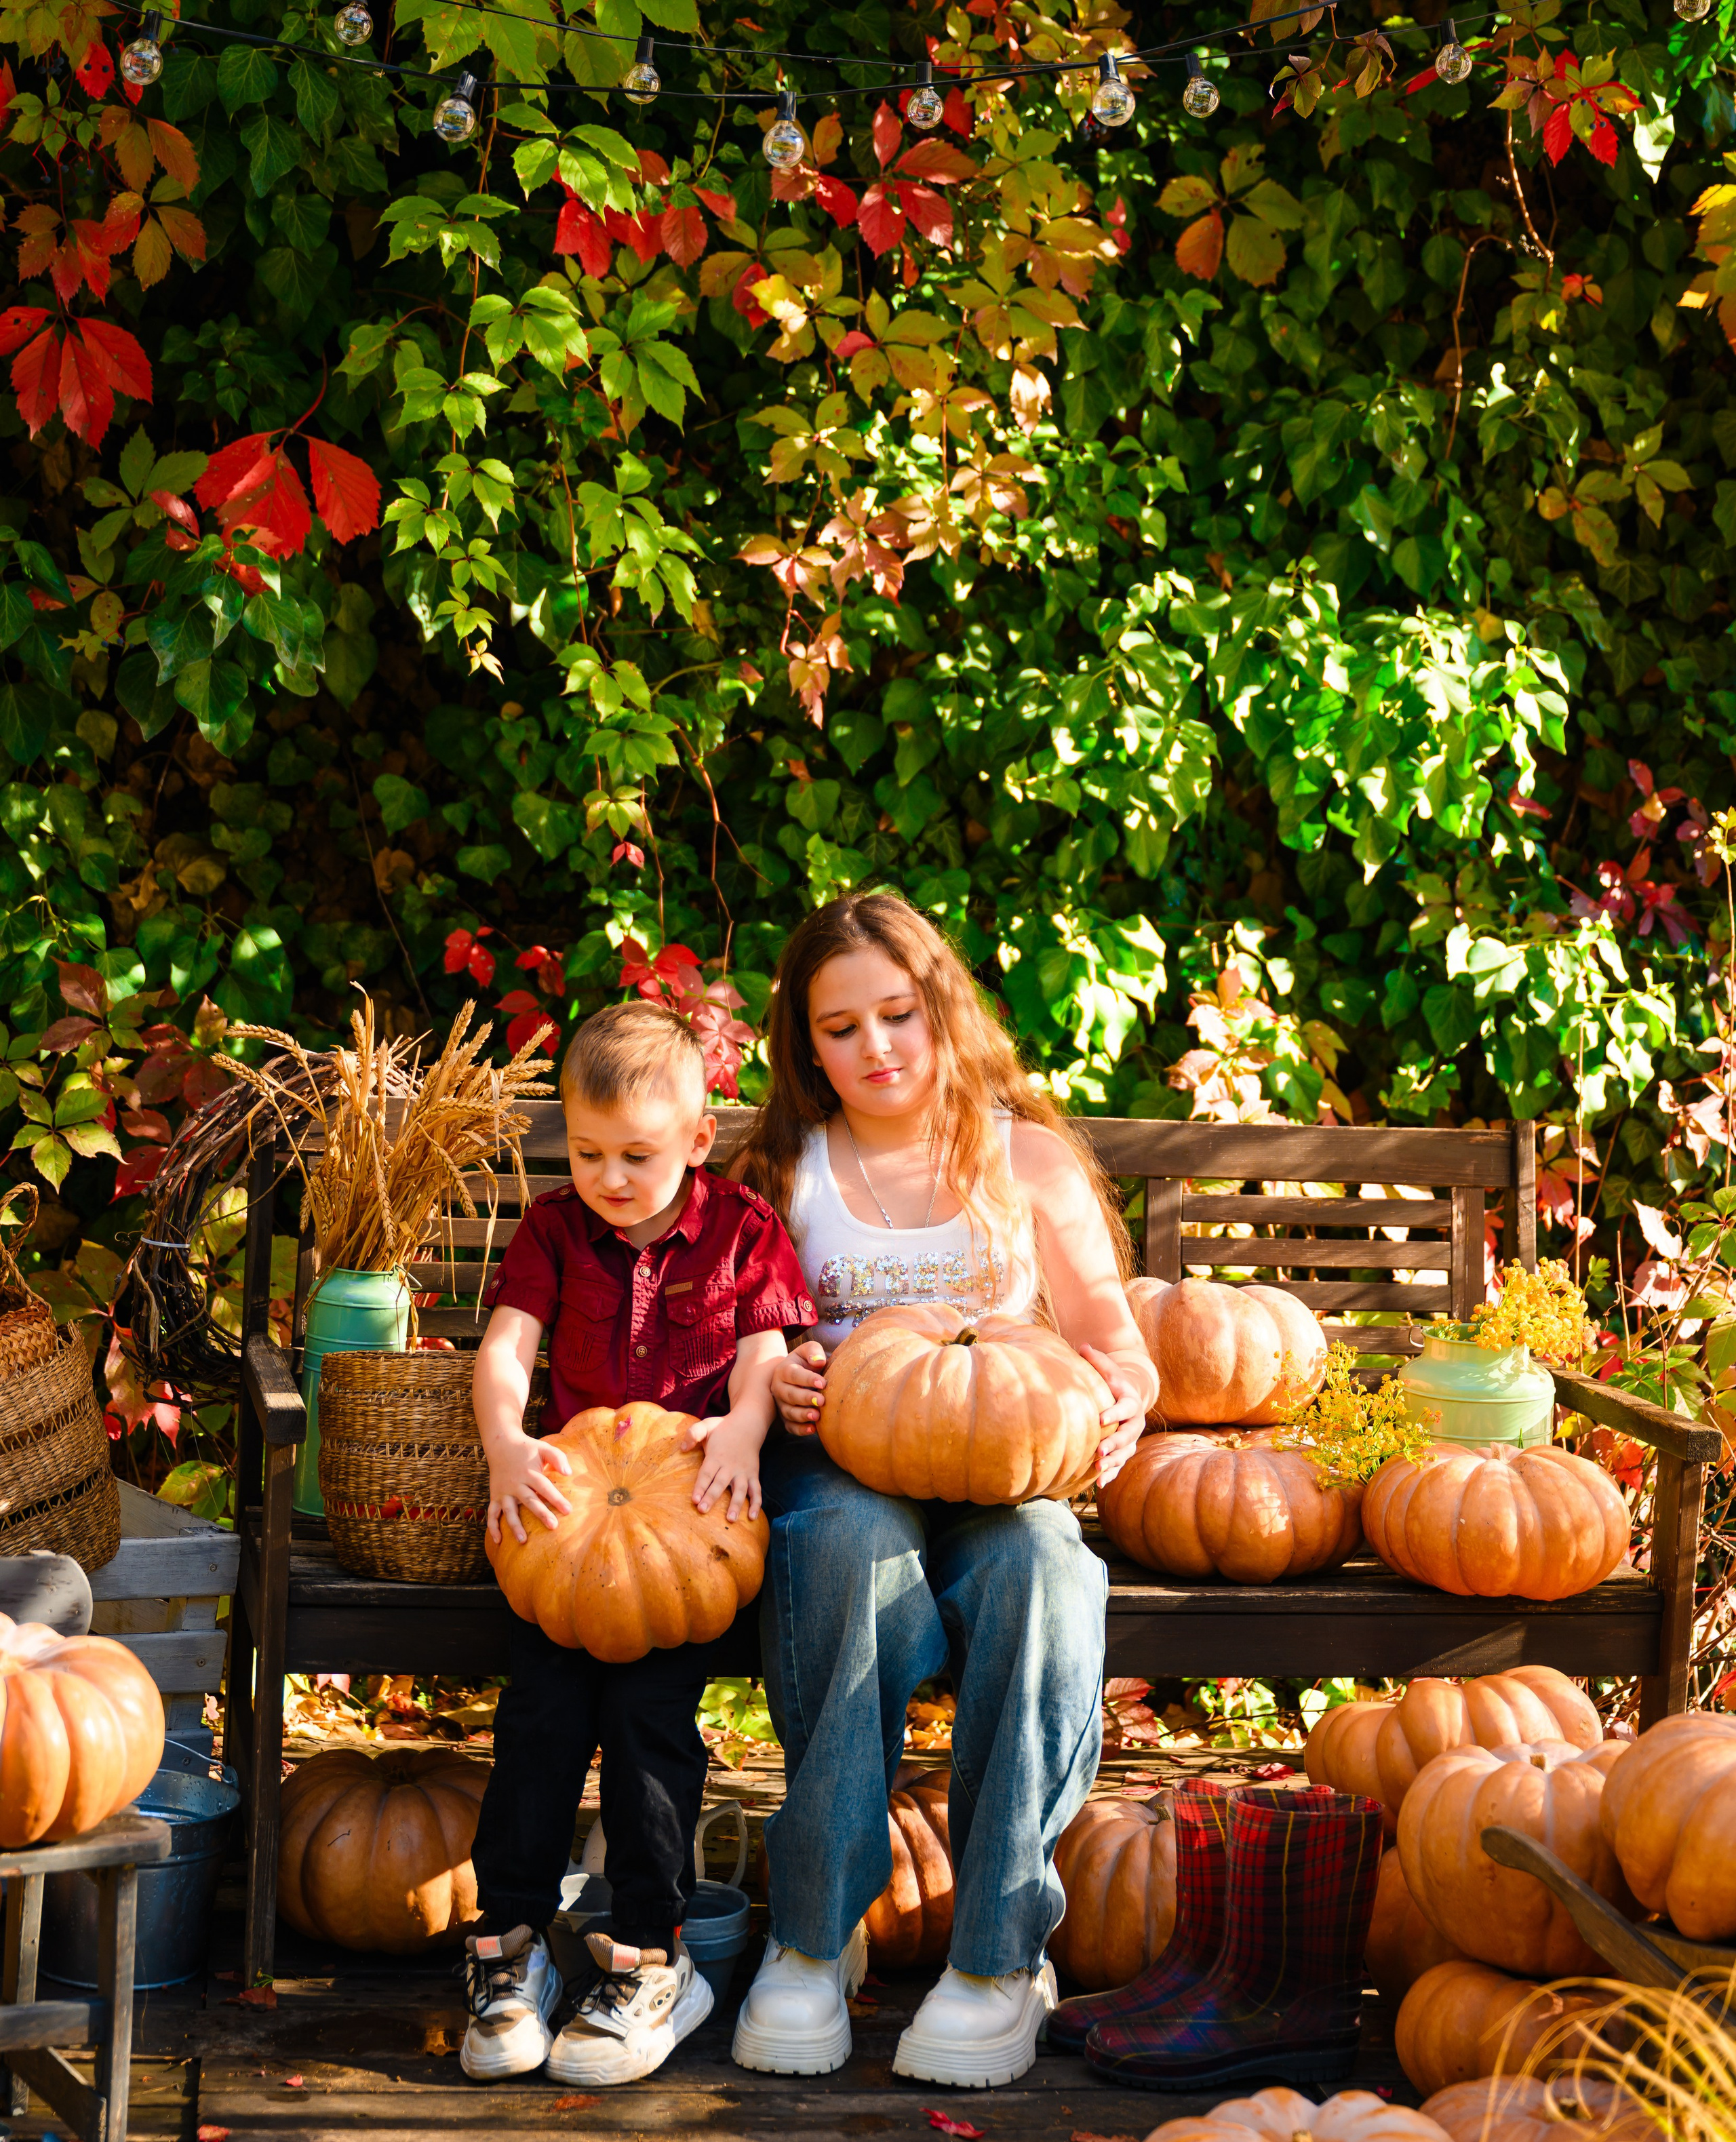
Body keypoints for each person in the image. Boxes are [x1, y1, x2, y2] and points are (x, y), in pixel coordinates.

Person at [729, 891, 1159, 2090]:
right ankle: (814, 1937)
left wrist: (1119, 1401)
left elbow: (1114, 1344)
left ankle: (999, 1954)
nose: (876, 1048)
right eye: (841, 1027)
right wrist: (783, 1375)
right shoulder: (785, 1169)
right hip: (844, 1459)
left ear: (941, 1010)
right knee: (839, 1550)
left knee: (1045, 1572)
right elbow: (737, 1336)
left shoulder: (1025, 1159)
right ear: (804, 1045)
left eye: (898, 1015)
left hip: (1002, 1467)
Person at [459, 1000, 815, 2088]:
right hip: (562, 1526)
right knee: (537, 1730)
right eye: (590, 1152)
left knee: (653, 1741)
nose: (611, 1176)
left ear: (697, 1142)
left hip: (688, 1531)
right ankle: (510, 1948)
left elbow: (765, 1354)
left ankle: (650, 1958)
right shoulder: (555, 1229)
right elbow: (506, 1348)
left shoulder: (744, 1228)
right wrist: (507, 1447)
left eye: (639, 1156)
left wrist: (747, 1432)